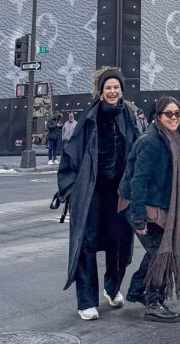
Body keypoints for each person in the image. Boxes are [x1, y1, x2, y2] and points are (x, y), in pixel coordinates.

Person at [57, 68, 144, 320]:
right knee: (87, 243)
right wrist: (69, 189)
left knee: (120, 242)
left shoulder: (129, 116)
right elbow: (72, 153)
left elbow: (140, 149)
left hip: (119, 192)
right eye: (109, 87)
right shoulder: (89, 118)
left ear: (122, 90)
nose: (113, 91)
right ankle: (86, 301)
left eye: (116, 87)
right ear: (101, 91)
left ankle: (112, 286)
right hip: (92, 192)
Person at [119, 96, 180, 323]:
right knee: (160, 252)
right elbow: (139, 181)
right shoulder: (151, 141)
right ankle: (154, 302)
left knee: (156, 251)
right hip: (141, 206)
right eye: (169, 114)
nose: (174, 118)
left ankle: (137, 290)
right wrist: (139, 218)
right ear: (158, 116)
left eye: (177, 113)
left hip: (157, 204)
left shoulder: (172, 138)